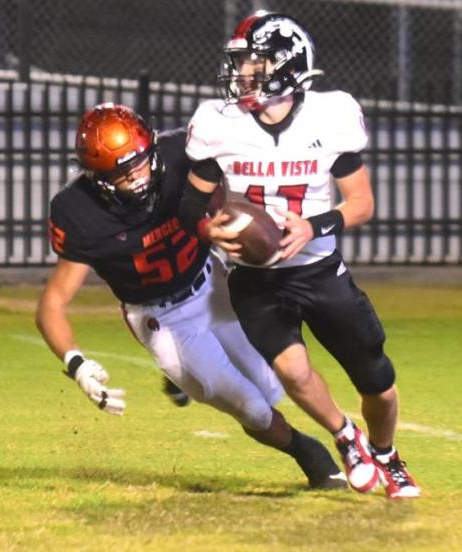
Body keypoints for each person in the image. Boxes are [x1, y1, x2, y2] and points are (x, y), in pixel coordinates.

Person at [36, 102, 346, 490]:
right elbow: (52, 303)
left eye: (138, 163)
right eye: (119, 172)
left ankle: (183, 379)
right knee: (251, 406)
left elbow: (223, 187)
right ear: (95, 177)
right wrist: (77, 363)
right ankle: (307, 453)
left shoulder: (180, 153)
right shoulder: (78, 212)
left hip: (212, 283)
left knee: (272, 388)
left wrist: (234, 223)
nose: (135, 178)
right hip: (161, 318)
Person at [179, 12, 420, 498]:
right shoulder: (218, 123)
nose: (243, 73)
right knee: (290, 369)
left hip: (320, 270)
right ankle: (345, 437)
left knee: (378, 382)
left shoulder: (330, 115)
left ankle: (387, 454)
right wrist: (208, 229)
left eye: (253, 62)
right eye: (242, 62)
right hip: (255, 278)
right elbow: (189, 202)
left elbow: (362, 203)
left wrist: (314, 225)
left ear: (285, 66)